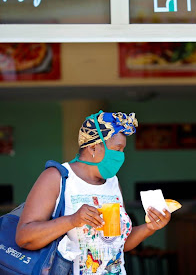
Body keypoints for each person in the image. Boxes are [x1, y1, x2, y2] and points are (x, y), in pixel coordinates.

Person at [16, 111, 171, 275]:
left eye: (123, 150)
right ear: (93, 147)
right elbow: (24, 237)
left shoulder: (113, 182)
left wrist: (150, 227)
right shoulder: (57, 177)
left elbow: (117, 245)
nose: (121, 156)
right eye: (117, 149)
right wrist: (72, 220)